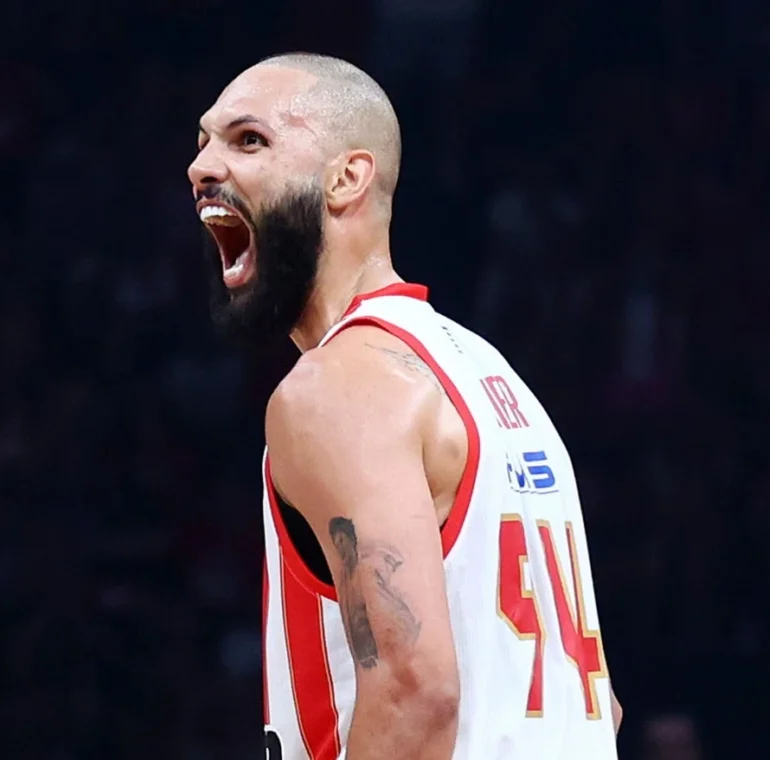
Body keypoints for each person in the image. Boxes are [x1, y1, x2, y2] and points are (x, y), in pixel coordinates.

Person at [188, 52, 624, 760]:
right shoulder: (492, 376)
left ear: (347, 178)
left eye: (249, 140)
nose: (202, 166)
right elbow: (596, 707)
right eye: (203, 141)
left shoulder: (336, 387)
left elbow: (414, 692)